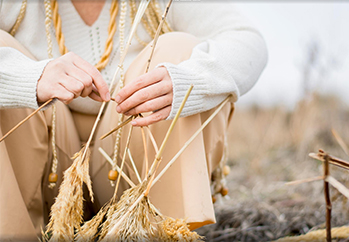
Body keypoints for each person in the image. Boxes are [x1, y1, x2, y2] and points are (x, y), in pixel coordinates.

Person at [0, 0, 267, 241]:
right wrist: (28, 78)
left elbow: (248, 43)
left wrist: (188, 80)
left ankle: (163, 231)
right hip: (41, 175)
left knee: (179, 48)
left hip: (128, 173)